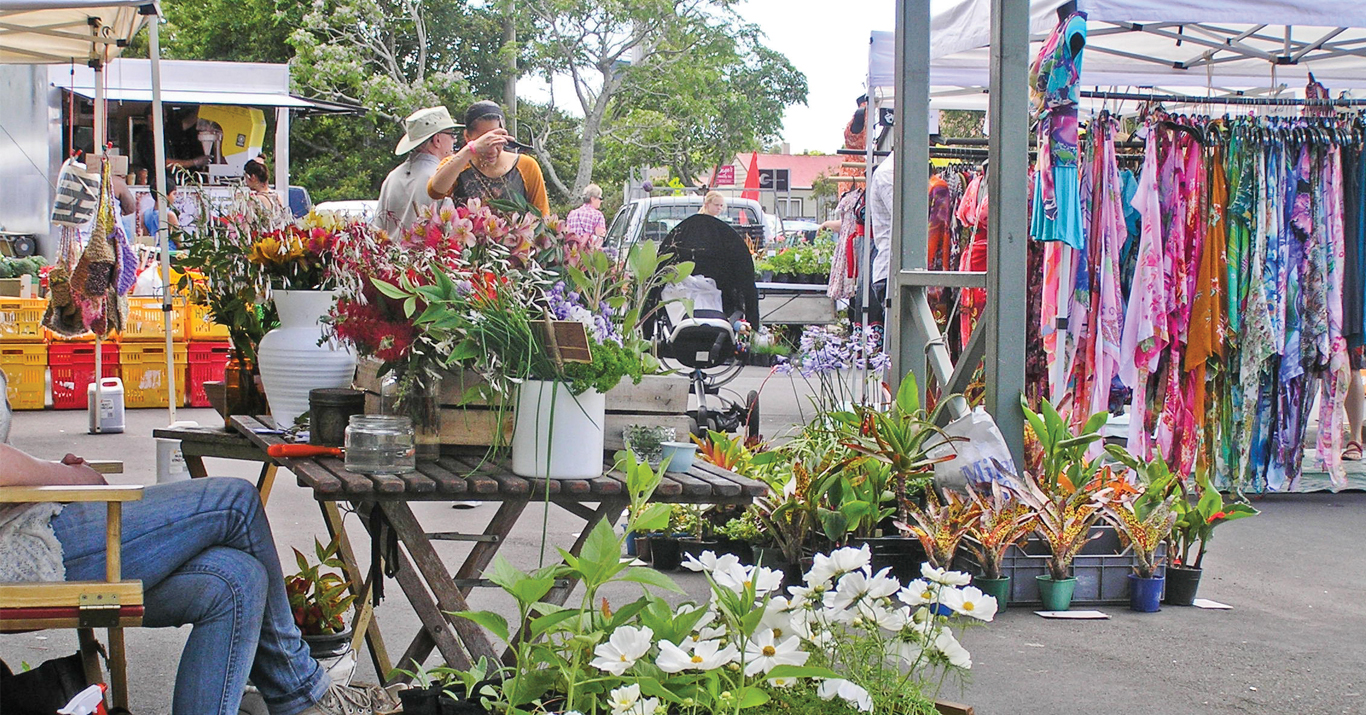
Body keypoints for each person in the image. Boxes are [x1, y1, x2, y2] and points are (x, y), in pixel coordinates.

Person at [0, 442, 399, 715]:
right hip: (24, 548)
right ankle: (301, 693)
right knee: (237, 502)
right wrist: (66, 476)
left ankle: (298, 693)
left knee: (235, 580)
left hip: (27, 524)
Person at [427, 101, 550, 217]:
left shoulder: (526, 165)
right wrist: (470, 150)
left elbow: (542, 217)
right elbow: (435, 191)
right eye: (485, 142)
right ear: (467, 137)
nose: (492, 150)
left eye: (498, 140)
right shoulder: (457, 164)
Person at [654, 206, 760, 333]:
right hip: (707, 304)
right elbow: (746, 286)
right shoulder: (727, 250)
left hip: (704, 303)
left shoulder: (680, 244)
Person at [373, 106, 460, 236]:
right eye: (452, 134)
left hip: (391, 255)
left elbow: (377, 229)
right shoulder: (441, 178)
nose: (455, 140)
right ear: (437, 140)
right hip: (431, 255)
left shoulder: (392, 177)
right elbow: (454, 234)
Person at [244, 161, 289, 228]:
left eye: (246, 178)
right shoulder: (277, 197)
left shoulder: (254, 200)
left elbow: (247, 226)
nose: (245, 181)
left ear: (253, 177)